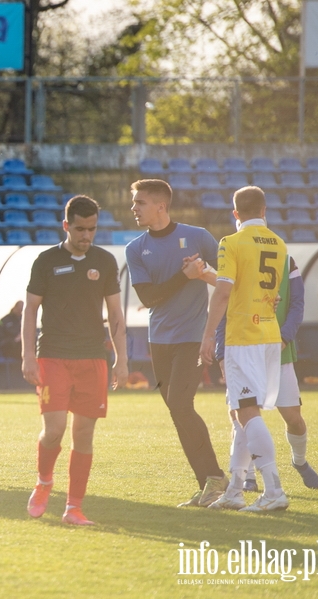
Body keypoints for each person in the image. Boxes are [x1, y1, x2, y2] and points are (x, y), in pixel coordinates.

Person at [22, 195, 128, 526]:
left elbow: (115, 313)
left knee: (84, 433)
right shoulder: (45, 260)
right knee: (53, 430)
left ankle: (73, 507)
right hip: (52, 354)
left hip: (92, 357)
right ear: (66, 226)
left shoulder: (106, 261)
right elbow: (30, 311)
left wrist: (122, 359)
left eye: (92, 229)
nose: (86, 236)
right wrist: (27, 355)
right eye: (80, 229)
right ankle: (44, 482)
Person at [125, 179, 228, 508]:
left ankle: (216, 478)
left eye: (140, 202)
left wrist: (205, 276)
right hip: (160, 340)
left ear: (160, 206)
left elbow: (228, 279)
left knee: (181, 405)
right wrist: (184, 277)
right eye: (134, 202)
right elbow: (150, 298)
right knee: (177, 410)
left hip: (193, 337)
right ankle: (208, 485)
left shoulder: (197, 236)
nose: (134, 208)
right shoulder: (135, 248)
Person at [200, 186, 289, 512]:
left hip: (244, 336)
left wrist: (209, 335)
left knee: (247, 411)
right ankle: (236, 489)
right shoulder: (279, 243)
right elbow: (272, 293)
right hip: (268, 333)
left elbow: (224, 292)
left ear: (235, 213)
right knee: (241, 413)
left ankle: (274, 490)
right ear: (264, 210)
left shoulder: (231, 243)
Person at [215, 256, 318, 492]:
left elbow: (296, 304)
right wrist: (221, 354)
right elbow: (223, 308)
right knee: (240, 416)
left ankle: (299, 461)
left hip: (279, 355)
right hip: (242, 352)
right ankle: (248, 477)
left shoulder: (285, 260)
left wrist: (283, 338)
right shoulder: (235, 256)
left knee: (294, 419)